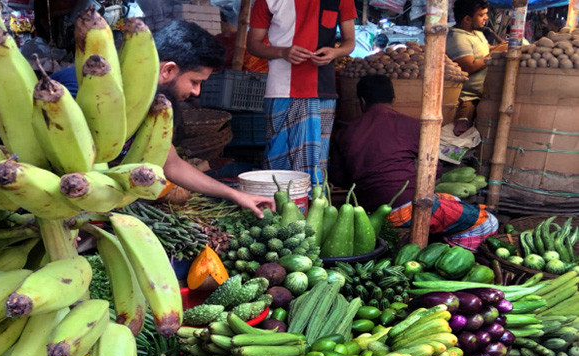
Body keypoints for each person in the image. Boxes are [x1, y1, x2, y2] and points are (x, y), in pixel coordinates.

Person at [51, 20, 275, 217]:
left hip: (92, 204)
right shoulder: (77, 88)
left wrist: (236, 195)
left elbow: (172, 164)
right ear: (168, 70)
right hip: (52, 201)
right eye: (195, 81)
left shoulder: (152, 105)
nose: (197, 92)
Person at [330, 74, 499, 251]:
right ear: (394, 98)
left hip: (368, 213)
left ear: (362, 101)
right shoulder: (412, 125)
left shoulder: (345, 132)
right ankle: (451, 259)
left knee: (449, 202)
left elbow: (339, 177)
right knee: (488, 222)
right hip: (407, 209)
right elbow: (435, 168)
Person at [246, 0, 357, 184]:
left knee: (317, 161)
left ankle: (311, 206)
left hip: (322, 90)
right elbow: (253, 43)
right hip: (280, 89)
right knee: (278, 158)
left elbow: (350, 42)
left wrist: (335, 53)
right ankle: (278, 206)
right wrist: (283, 52)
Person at [446, 0, 507, 136]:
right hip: (468, 97)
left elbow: (484, 51)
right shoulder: (457, 37)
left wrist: (499, 47)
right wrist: (494, 53)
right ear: (467, 19)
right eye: (481, 15)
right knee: (462, 129)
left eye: (486, 14)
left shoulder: (476, 33)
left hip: (484, 93)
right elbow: (469, 66)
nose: (486, 18)